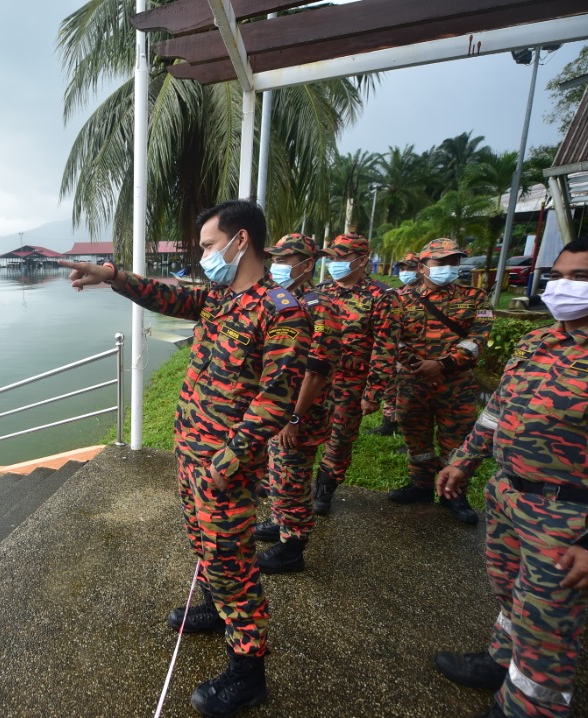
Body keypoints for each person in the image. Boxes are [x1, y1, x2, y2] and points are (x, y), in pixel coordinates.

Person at [59, 200, 310, 718]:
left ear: (242, 241)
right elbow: (166, 294)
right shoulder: (219, 298)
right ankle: (218, 612)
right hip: (193, 454)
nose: (204, 257)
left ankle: (248, 671)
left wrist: (230, 459)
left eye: (209, 246)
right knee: (204, 547)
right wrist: (111, 275)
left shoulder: (282, 310)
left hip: (225, 465)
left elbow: (276, 397)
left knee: (232, 562)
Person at [434, 233, 588, 718]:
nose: (564, 287)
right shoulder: (540, 338)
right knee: (508, 588)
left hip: (570, 515)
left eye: (582, 278)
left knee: (547, 624)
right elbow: (498, 410)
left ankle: (528, 706)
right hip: (509, 493)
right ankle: (502, 659)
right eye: (558, 276)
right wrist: (464, 459)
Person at [387, 238, 493, 524]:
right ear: (422, 266)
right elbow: (391, 338)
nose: (449, 267)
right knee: (416, 439)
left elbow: (478, 339)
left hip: (455, 384)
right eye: (441, 262)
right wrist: (417, 365)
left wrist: (443, 364)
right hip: (412, 382)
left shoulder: (476, 297)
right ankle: (420, 486)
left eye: (453, 262)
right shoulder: (399, 298)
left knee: (455, 441)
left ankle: (453, 494)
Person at [254, 233, 342, 574]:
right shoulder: (282, 300)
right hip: (281, 412)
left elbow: (316, 372)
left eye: (283, 260)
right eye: (273, 258)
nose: (275, 266)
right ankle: (280, 523)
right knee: (278, 473)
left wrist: (293, 418)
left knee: (291, 476)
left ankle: (293, 547)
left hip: (300, 415)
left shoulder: (319, 308)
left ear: (306, 265)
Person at [312, 233, 397, 514]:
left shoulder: (382, 297)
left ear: (361, 261)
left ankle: (325, 488)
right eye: (332, 258)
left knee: (340, 438)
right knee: (301, 431)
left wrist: (373, 392)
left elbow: (385, 348)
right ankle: (291, 483)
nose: (335, 263)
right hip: (314, 379)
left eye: (342, 258)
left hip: (351, 382)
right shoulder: (320, 291)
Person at [370, 252, 421, 438]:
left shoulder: (425, 295)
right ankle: (388, 423)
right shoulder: (396, 294)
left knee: (409, 396)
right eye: (404, 268)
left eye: (411, 268)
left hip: (416, 357)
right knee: (390, 389)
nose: (407, 272)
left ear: (421, 269)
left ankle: (407, 432)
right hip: (392, 352)